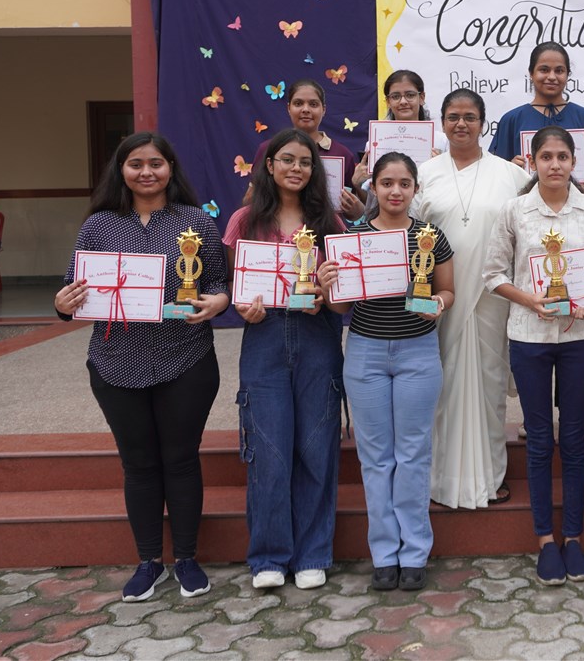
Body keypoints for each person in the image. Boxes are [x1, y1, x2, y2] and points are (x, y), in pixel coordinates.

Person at [54, 132, 229, 602]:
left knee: (181, 459)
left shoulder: (196, 221)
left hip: (186, 358)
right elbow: (74, 288)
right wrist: (62, 303)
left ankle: (186, 558)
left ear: (170, 168)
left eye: (155, 163)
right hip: (116, 363)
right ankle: (149, 561)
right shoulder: (98, 226)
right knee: (139, 464)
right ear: (121, 170)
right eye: (136, 164)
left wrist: (218, 302)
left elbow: (218, 281)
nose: (146, 172)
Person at [318, 153, 454, 592]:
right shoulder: (352, 237)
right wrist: (327, 284)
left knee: (413, 453)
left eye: (404, 183)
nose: (396, 191)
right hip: (366, 354)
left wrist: (439, 304)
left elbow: (448, 290)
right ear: (372, 187)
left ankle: (414, 552)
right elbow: (340, 307)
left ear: (415, 189)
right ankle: (384, 553)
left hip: (418, 353)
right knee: (375, 458)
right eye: (387, 183)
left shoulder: (430, 236)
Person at [484, 126, 584, 585]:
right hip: (529, 336)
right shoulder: (514, 210)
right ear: (532, 161)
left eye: (563, 156)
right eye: (546, 157)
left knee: (573, 438)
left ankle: (573, 536)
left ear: (575, 162)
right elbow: (493, 275)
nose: (555, 164)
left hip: (579, 337)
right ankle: (544, 539)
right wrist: (529, 300)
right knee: (539, 440)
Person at [223, 128, 346, 591]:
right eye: (287, 159)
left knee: (316, 446)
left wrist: (325, 296)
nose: (297, 168)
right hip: (265, 335)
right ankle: (269, 556)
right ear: (269, 165)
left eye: (305, 162)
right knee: (269, 450)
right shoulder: (244, 221)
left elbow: (341, 295)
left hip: (317, 336)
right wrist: (243, 306)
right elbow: (234, 286)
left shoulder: (329, 222)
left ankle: (313, 553)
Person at [415, 89, 530, 509]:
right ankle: (442, 478)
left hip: (492, 298)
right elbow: (410, 233)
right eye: (453, 116)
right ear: (442, 122)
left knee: (489, 384)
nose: (461, 124)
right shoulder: (424, 173)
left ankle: (489, 476)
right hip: (438, 301)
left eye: (469, 117)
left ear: (483, 123)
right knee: (441, 385)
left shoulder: (511, 175)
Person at [488, 42, 584, 196]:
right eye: (544, 70)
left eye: (559, 70)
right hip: (526, 208)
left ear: (567, 75)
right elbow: (495, 176)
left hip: (577, 207)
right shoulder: (511, 120)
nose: (551, 77)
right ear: (531, 73)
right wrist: (510, 170)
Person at [247, 79, 364, 221]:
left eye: (313, 104)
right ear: (289, 108)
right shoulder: (268, 149)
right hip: (275, 229)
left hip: (325, 230)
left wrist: (356, 210)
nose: (306, 109)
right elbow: (249, 203)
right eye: (298, 103)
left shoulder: (342, 154)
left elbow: (353, 214)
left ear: (324, 109)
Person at [350, 70, 447, 201]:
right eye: (395, 96)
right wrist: (358, 184)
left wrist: (443, 170)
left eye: (410, 95)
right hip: (388, 213)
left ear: (422, 97)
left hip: (428, 212)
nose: (403, 101)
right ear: (388, 101)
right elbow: (371, 201)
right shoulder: (375, 142)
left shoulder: (442, 141)